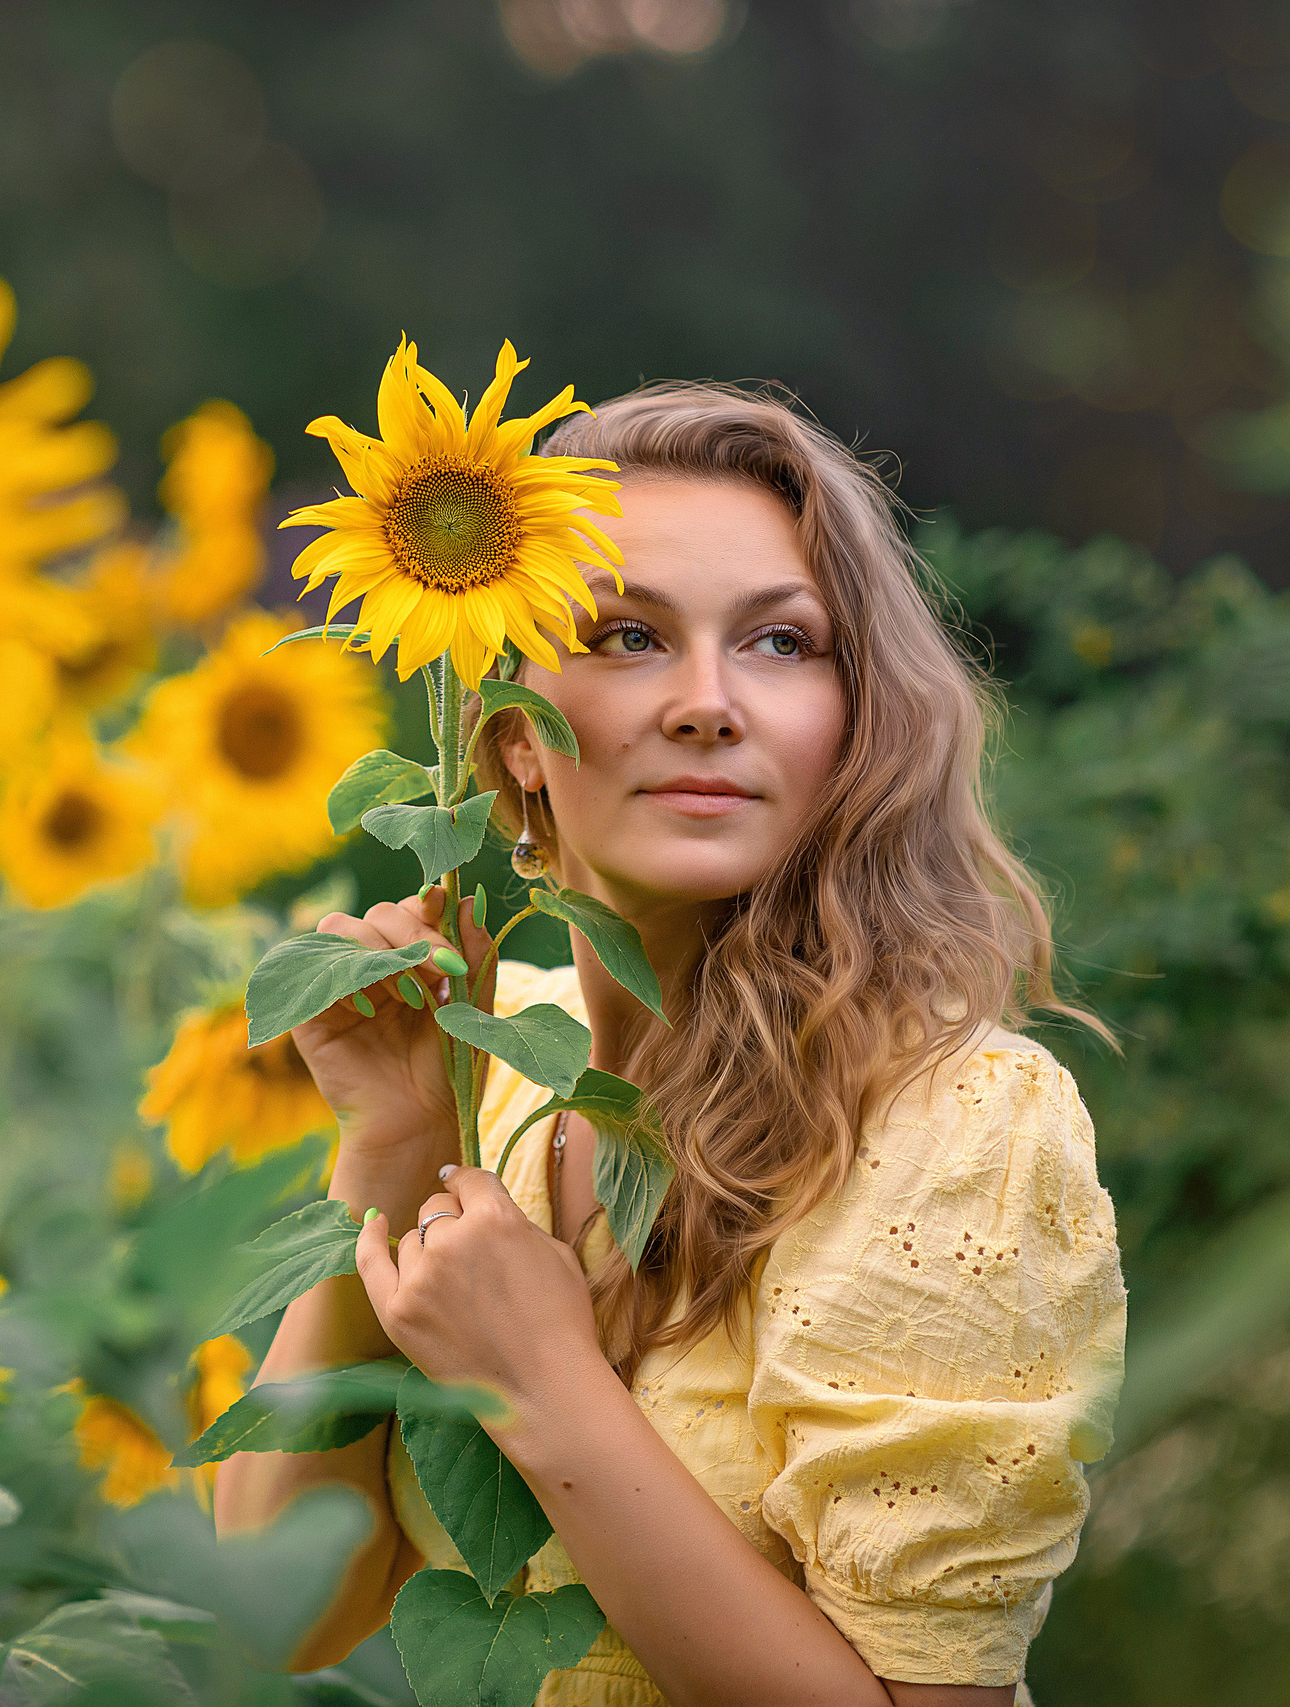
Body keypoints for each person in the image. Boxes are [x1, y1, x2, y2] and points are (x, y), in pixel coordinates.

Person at [213, 384, 1129, 1707]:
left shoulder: (948, 1131)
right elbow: (278, 1615)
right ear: (515, 741)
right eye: (629, 634)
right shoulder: (506, 1084)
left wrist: (542, 1388)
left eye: (778, 645)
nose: (707, 703)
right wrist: (398, 1141)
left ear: (854, 718)